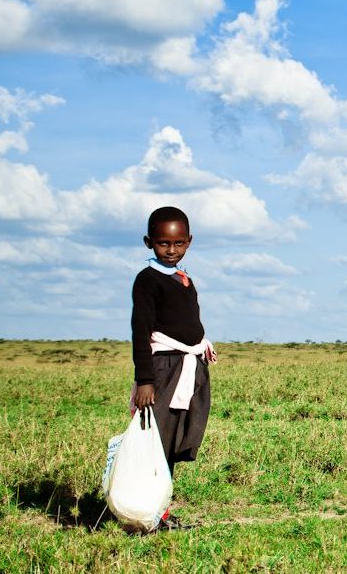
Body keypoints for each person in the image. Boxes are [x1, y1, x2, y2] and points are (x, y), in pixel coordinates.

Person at [130, 206, 216, 530]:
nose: (171, 250)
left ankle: (160, 512)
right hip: (162, 370)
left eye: (178, 243)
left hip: (186, 367)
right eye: (164, 243)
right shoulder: (147, 280)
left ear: (189, 242)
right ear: (148, 242)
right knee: (156, 442)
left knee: (173, 440)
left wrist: (201, 345)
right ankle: (147, 514)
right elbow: (141, 331)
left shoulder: (184, 279)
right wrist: (145, 381)